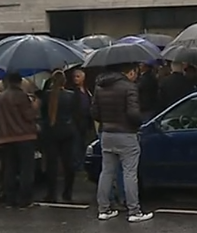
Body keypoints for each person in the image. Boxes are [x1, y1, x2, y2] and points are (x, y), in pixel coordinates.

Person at [91, 64, 152, 223]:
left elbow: (94, 112)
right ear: (129, 72)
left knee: (106, 171)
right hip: (126, 133)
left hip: (106, 133)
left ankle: (104, 209)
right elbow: (133, 113)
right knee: (130, 172)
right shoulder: (129, 87)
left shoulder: (99, 86)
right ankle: (134, 211)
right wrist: (137, 123)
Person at [0, 73, 39, 209]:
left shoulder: (1, 97)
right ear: (19, 82)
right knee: (26, 169)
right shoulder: (21, 96)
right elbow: (29, 116)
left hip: (6, 138)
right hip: (24, 136)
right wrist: (35, 104)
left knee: (9, 169)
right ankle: (25, 199)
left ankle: (10, 199)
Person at [40, 70, 79, 202]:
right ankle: (67, 193)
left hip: (51, 131)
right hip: (68, 130)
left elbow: (43, 114)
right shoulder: (71, 95)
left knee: (51, 164)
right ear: (65, 82)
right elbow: (76, 113)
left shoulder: (46, 96)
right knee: (68, 163)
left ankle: (51, 193)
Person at [68, 68, 94, 171]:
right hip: (76, 121)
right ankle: (77, 165)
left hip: (86, 120)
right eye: (74, 77)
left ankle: (84, 164)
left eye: (78, 77)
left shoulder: (87, 90)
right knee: (76, 144)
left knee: (84, 143)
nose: (76, 79)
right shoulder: (72, 91)